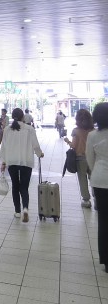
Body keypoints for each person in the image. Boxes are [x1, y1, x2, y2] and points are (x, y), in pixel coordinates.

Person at [0, 108, 44, 222]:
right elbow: (35, 145)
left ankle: (17, 212)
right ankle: (25, 208)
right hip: (26, 161)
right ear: (23, 117)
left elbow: (3, 147)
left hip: (12, 161)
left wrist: (3, 162)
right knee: (24, 187)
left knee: (15, 186)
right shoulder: (29, 129)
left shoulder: (7, 129)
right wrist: (40, 154)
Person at [87, 103, 108, 272]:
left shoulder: (93, 136)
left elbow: (90, 159)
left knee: (103, 220)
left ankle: (106, 260)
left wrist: (97, 171)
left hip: (100, 180)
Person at [64, 108, 95, 208]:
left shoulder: (76, 131)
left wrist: (67, 141)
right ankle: (97, 199)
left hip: (80, 158)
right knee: (93, 179)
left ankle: (86, 201)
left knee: (83, 179)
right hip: (93, 158)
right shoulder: (93, 131)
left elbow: (73, 146)